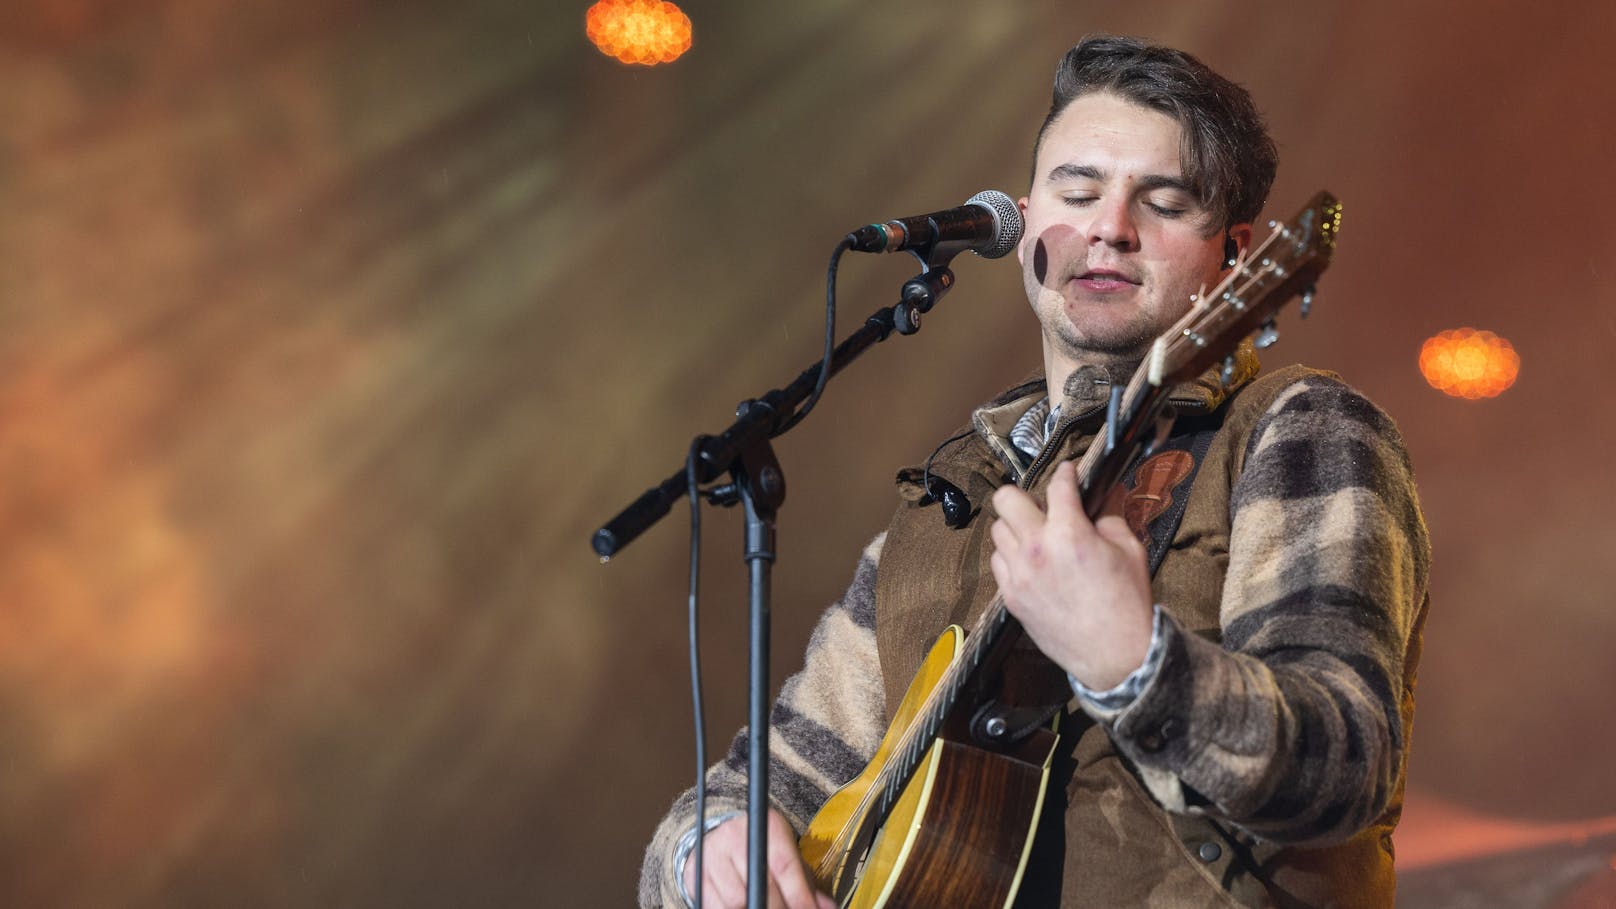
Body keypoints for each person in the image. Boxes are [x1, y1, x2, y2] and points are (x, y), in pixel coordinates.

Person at [639, 34, 1429, 909]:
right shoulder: (946, 505)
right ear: (1020, 228)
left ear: (1235, 257)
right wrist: (704, 847)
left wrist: (1135, 663)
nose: (1109, 227)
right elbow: (768, 776)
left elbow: (1344, 760)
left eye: (1162, 202)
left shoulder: (1296, 427)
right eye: (1078, 190)